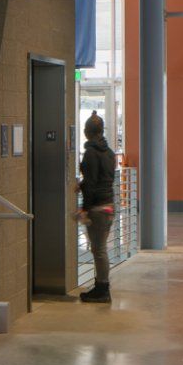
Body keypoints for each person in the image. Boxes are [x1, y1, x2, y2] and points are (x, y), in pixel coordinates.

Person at [76, 112, 117, 304]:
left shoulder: (91, 153)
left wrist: (84, 208)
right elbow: (102, 180)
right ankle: (101, 287)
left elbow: (91, 183)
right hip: (109, 204)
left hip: (98, 208)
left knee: (99, 249)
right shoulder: (109, 153)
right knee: (100, 249)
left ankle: (102, 289)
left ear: (86, 132)